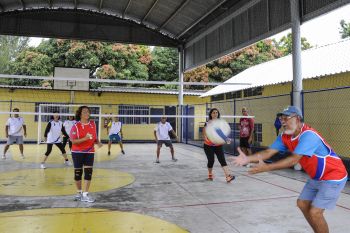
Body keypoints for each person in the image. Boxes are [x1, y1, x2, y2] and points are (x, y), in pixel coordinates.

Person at [231, 106, 347, 233]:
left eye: (286, 118)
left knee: (315, 212)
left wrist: (267, 167)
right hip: (317, 177)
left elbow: (293, 160)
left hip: (333, 176)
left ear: (297, 119)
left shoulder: (309, 135)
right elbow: (269, 152)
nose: (283, 122)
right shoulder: (284, 136)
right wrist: (247, 159)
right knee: (302, 204)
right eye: (281, 119)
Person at [70, 106, 103, 203]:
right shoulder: (76, 126)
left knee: (88, 173)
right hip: (77, 152)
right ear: (80, 114)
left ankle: (85, 194)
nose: (87, 114)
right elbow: (73, 141)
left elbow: (94, 137)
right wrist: (85, 138)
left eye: (88, 112)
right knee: (78, 174)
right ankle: (79, 193)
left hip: (89, 151)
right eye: (85, 112)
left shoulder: (93, 124)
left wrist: (98, 142)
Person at [203, 108, 235, 182]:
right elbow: (204, 134)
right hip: (208, 146)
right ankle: (210, 174)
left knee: (222, 160)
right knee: (211, 161)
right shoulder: (207, 123)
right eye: (213, 112)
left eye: (216, 112)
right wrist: (207, 139)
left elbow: (220, 132)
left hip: (218, 145)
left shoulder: (219, 123)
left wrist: (226, 139)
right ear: (211, 114)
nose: (215, 114)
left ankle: (228, 176)